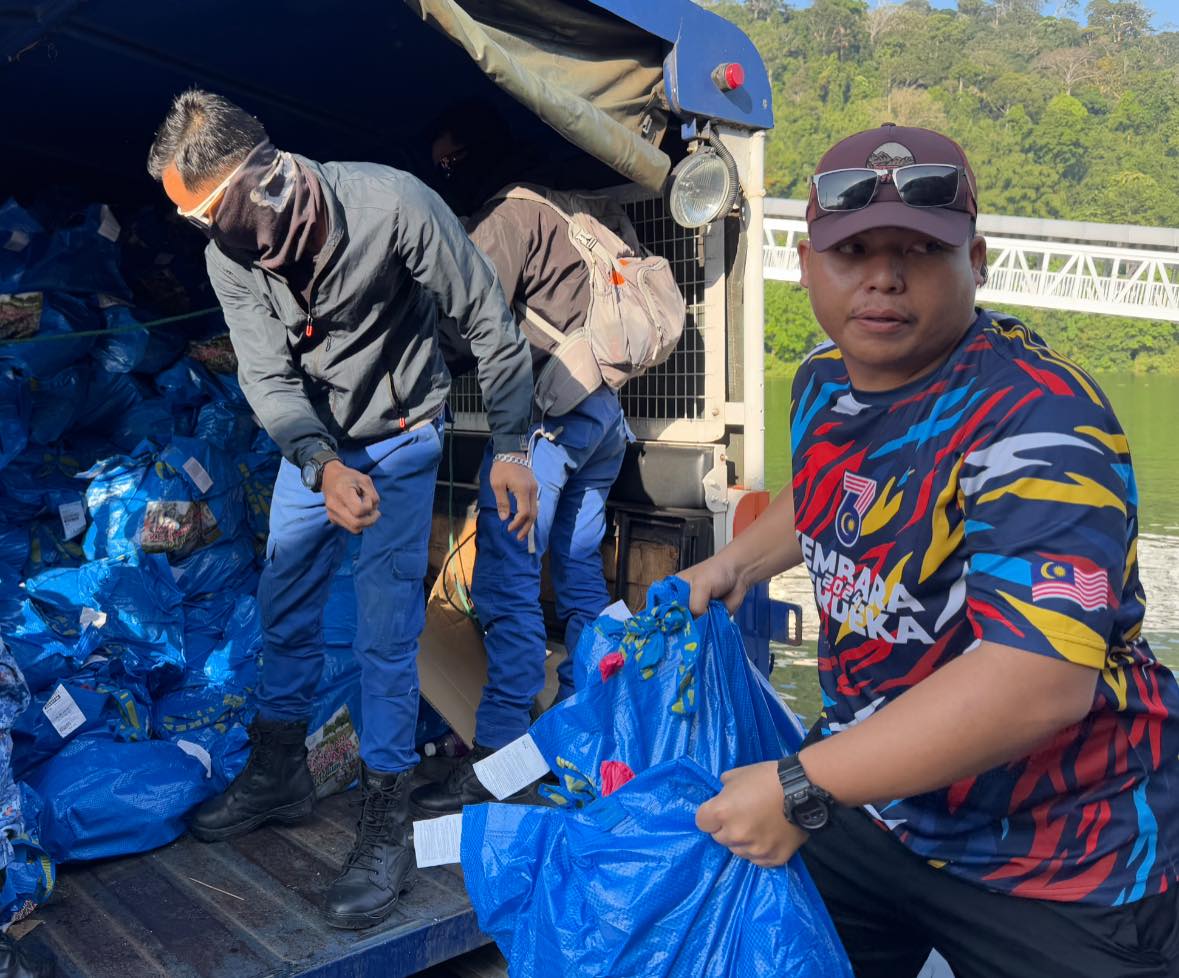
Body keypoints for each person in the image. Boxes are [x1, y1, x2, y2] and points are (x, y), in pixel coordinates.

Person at [679, 124, 1179, 977]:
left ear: (976, 262)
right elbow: (830, 490)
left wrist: (798, 788)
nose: (882, 275)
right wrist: (736, 564)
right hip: (872, 802)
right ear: (806, 264)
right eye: (854, 250)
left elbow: (1036, 682)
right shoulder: (822, 381)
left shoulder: (1041, 420)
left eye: (920, 249)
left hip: (1056, 854)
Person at [146, 89, 538, 929]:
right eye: (190, 219)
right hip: (314, 446)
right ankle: (280, 772)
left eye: (205, 212)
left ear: (264, 180)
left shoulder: (393, 205)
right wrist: (319, 464)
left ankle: (387, 823)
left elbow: (491, 327)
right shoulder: (230, 253)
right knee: (282, 603)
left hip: (401, 439)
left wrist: (511, 448)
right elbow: (266, 377)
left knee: (384, 630)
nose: (201, 233)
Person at [409, 110, 631, 817]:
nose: (446, 174)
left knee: (507, 585)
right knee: (579, 584)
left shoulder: (505, 216)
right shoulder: (562, 207)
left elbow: (468, 321)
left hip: (547, 425)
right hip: (604, 420)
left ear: (476, 157)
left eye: (450, 162)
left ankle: (499, 759)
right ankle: (583, 731)